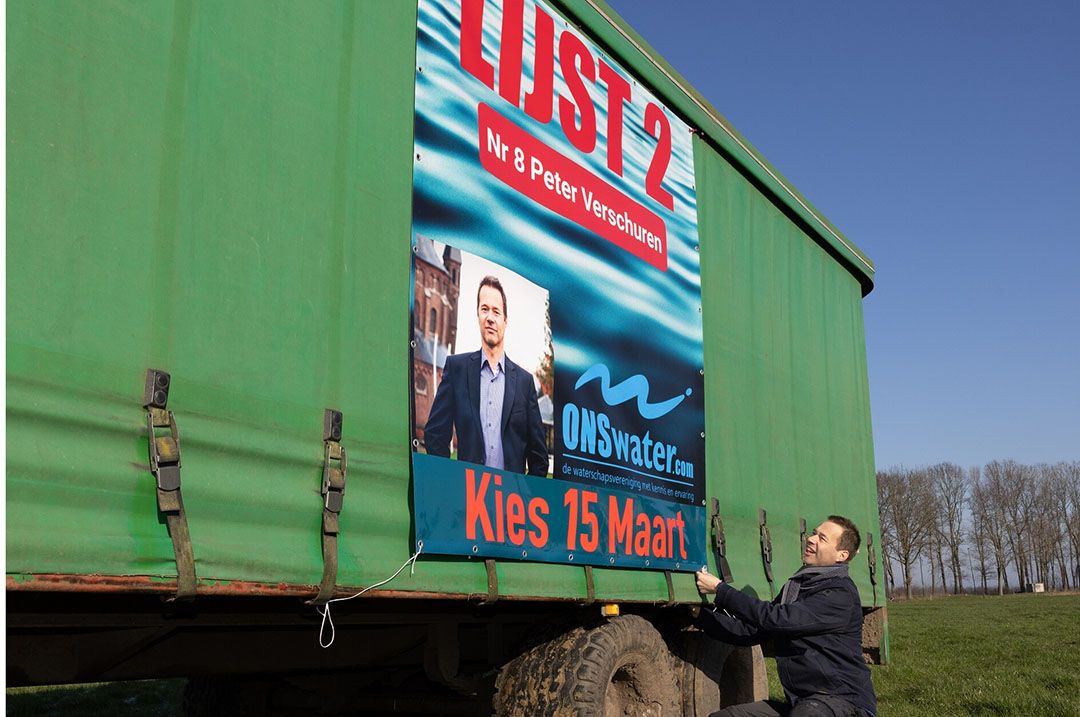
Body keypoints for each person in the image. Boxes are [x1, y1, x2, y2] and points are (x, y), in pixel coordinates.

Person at [694, 516, 877, 717]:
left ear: (841, 555)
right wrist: (698, 615)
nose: (811, 539)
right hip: (803, 703)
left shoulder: (840, 594)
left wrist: (721, 590)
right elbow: (751, 631)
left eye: (822, 538)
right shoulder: (798, 586)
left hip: (845, 704)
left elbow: (779, 619)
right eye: (814, 533)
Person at [424, 275, 549, 476]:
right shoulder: (457, 369)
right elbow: (434, 435)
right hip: (466, 501)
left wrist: (525, 500)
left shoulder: (525, 383)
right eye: (484, 309)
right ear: (478, 316)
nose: (490, 317)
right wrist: (449, 482)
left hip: (511, 504)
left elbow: (539, 457)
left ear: (505, 321)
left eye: (496, 311)